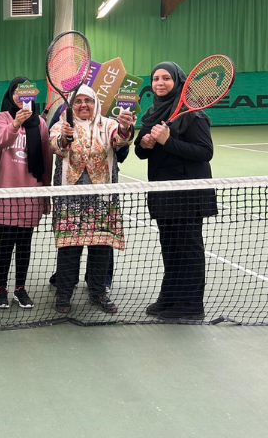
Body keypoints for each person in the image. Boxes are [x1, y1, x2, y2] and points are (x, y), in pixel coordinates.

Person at [135, 62, 217, 321]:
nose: (160, 83)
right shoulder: (152, 113)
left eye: (166, 78)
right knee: (170, 247)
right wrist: (144, 143)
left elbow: (205, 151)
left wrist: (167, 141)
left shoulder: (193, 115)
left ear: (178, 82)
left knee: (188, 250)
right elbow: (141, 153)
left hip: (188, 194)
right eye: (156, 78)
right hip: (163, 192)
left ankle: (191, 305)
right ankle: (169, 297)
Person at [49, 85, 135, 315]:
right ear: (71, 105)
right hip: (70, 199)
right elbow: (56, 146)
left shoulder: (109, 125)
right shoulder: (61, 125)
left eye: (88, 100)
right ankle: (64, 294)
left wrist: (125, 127)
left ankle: (98, 292)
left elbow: (120, 140)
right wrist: (65, 137)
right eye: (78, 101)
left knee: (101, 247)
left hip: (102, 199)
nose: (83, 105)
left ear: (96, 103)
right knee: (69, 248)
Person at [0, 77, 52, 309]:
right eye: (16, 91)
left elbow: (46, 159)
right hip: (5, 192)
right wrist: (16, 123)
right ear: (11, 94)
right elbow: (3, 140)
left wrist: (46, 193)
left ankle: (20, 288)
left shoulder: (41, 124)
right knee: (5, 242)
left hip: (31, 192)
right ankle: (1, 288)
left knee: (25, 243)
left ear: (32, 96)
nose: (20, 95)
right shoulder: (1, 118)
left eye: (25, 91)